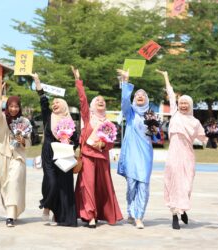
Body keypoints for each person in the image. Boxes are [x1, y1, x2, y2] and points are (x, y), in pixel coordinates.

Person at [72, 66, 123, 229]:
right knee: (87, 186)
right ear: (93, 106)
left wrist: (104, 144)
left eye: (103, 101)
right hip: (87, 157)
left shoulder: (108, 123)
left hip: (102, 159)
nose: (101, 101)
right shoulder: (88, 118)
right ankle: (90, 215)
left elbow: (110, 142)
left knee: (103, 188)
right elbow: (83, 101)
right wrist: (78, 81)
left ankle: (104, 213)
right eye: (97, 100)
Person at [156, 69, 207, 230]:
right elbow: (171, 94)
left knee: (186, 184)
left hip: (187, 155)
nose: (183, 105)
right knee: (172, 182)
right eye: (181, 103)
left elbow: (204, 138)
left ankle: (183, 209)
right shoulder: (175, 114)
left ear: (190, 105)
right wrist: (165, 77)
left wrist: (213, 135)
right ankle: (174, 215)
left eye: (186, 103)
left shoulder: (195, 122)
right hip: (173, 154)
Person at [31, 73, 79, 227]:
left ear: (64, 105)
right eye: (54, 102)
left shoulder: (69, 121)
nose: (55, 104)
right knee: (51, 182)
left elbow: (76, 140)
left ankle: (61, 216)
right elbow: (43, 101)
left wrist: (69, 141)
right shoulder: (48, 116)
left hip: (64, 155)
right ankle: (47, 205)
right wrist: (37, 82)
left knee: (64, 187)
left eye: (58, 102)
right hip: (48, 153)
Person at [117, 69, 153, 229]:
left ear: (146, 99)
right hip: (131, 153)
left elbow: (158, 137)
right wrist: (126, 81)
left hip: (145, 154)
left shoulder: (151, 115)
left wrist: (156, 132)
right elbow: (125, 100)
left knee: (143, 185)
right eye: (137, 94)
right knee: (131, 185)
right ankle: (131, 211)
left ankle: (139, 216)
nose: (140, 96)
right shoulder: (130, 113)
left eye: (143, 95)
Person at [0, 80, 30, 227]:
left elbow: (28, 143)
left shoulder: (25, 121)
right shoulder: (2, 119)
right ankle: (11, 211)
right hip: (3, 156)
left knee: (14, 183)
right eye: (11, 106)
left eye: (16, 106)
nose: (14, 109)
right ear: (7, 106)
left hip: (18, 157)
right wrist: (0, 95)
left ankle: (10, 216)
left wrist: (22, 141)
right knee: (5, 186)